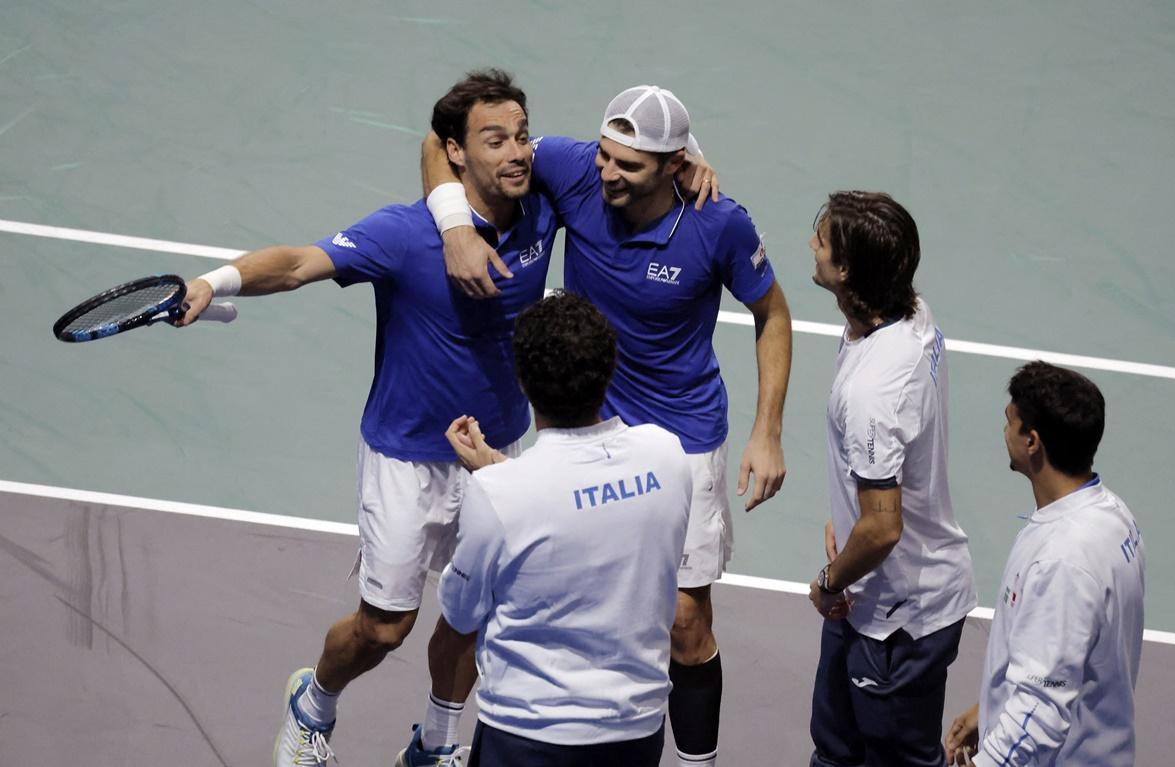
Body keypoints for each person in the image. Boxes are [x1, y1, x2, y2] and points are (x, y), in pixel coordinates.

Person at [180, 69, 557, 767]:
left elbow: (624, 170)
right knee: (385, 629)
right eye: (495, 139)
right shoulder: (401, 234)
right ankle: (313, 703)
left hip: (496, 447)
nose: (517, 153)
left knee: (475, 615)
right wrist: (216, 280)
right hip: (405, 455)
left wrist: (689, 160)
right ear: (453, 152)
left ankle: (436, 743)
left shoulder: (542, 205)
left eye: (523, 136)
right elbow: (296, 264)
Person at [423, 84, 792, 767]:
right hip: (583, 415)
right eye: (605, 156)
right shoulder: (572, 166)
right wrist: (452, 227)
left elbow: (773, 313)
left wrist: (767, 429)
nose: (608, 173)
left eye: (629, 165)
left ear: (675, 164)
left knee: (684, 622)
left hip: (683, 432)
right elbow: (440, 143)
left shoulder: (718, 223)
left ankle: (694, 761)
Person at [438, 290, 692, 766]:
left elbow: (460, 612)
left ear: (522, 381)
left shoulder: (500, 494)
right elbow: (587, 503)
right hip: (635, 735)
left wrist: (495, 478)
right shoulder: (668, 457)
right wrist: (498, 472)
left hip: (527, 736)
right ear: (609, 368)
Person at [805, 191, 976, 767]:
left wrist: (829, 581)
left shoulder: (874, 391)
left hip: (897, 620)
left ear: (847, 271)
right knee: (834, 749)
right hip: (869, 600)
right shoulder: (906, 313)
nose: (812, 244)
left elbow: (881, 529)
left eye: (823, 239)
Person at [944, 361, 1146, 766]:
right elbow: (1066, 657)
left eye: (1010, 421)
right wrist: (991, 709)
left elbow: (1041, 709)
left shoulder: (1062, 561)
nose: (1004, 431)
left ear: (1032, 441)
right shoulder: (1113, 514)